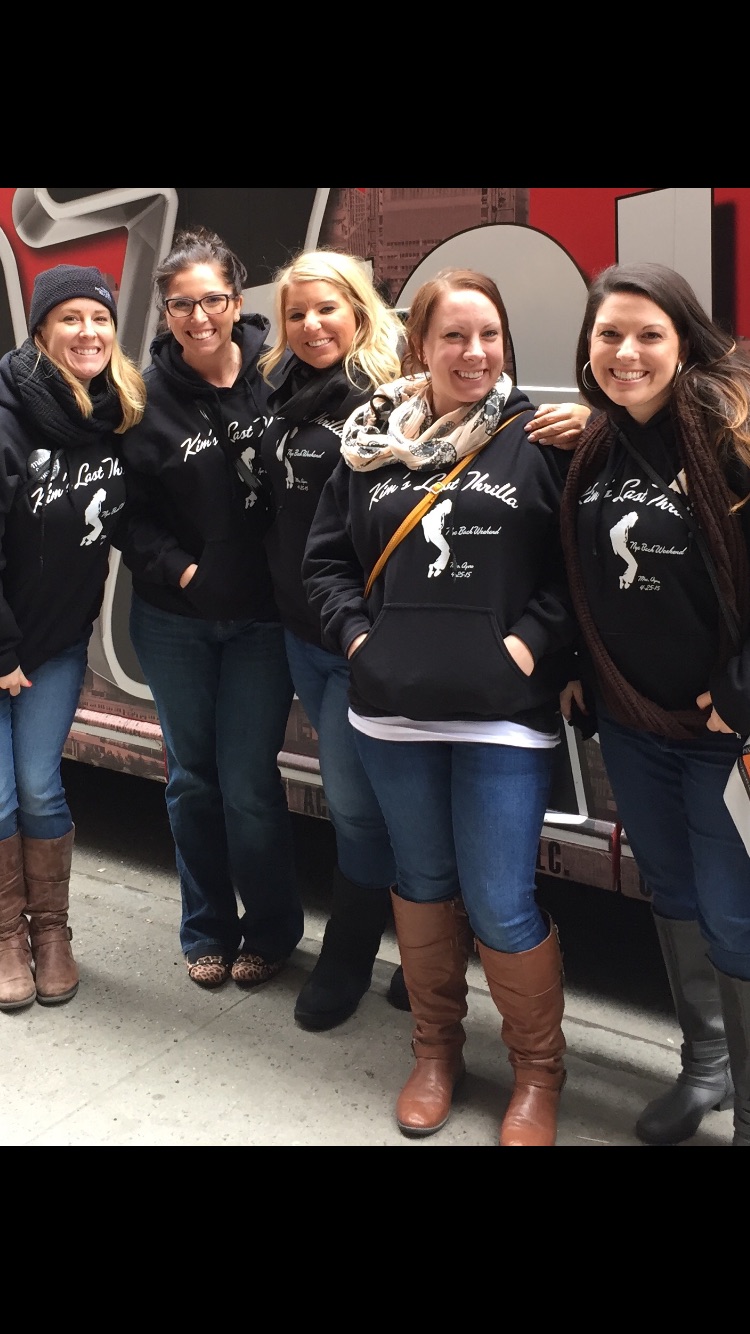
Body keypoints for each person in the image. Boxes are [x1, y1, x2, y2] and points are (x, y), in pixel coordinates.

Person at [257, 249, 588, 1033]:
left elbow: (574, 570)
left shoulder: (540, 439)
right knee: (422, 877)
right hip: (393, 708)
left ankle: (536, 1072)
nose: (474, 353)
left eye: (490, 336)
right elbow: (327, 561)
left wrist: (525, 646)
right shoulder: (371, 443)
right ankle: (435, 1052)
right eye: (454, 337)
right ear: (420, 346)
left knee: (501, 899)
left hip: (502, 711)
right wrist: (359, 641)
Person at [559, 261, 750, 1147]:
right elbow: (581, 573)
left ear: (686, 343)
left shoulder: (732, 438)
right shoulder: (598, 444)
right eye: (609, 334)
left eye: (648, 334)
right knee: (668, 888)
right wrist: (578, 665)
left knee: (735, 913)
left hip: (724, 738)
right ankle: (706, 1066)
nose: (626, 353)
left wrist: (742, 693)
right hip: (634, 724)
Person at [119, 228, 304, 992]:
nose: (199, 318)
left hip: (263, 622)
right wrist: (185, 570)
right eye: (181, 305)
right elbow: (125, 514)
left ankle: (272, 928)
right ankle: (206, 928)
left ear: (237, 297)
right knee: (192, 779)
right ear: (165, 311)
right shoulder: (141, 399)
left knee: (249, 782)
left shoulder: (282, 372)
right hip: (174, 622)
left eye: (212, 300)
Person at [0, 264, 146, 1011]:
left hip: (53, 641)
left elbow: (132, 519)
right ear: (40, 330)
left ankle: (51, 933)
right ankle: (6, 939)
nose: (88, 332)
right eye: (70, 318)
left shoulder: (114, 415)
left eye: (100, 318)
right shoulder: (6, 412)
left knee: (38, 784)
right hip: (2, 641)